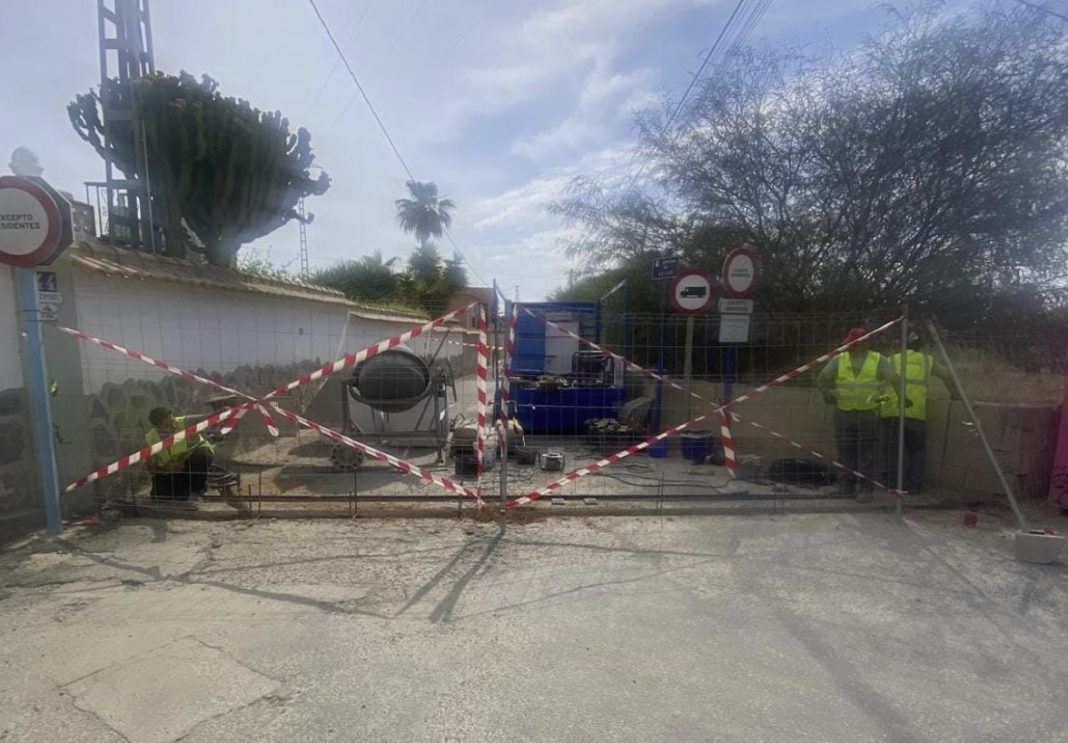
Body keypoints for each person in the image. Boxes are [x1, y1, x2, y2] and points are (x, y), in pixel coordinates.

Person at [817, 328, 901, 502]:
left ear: (865, 343)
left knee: (867, 454)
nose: (851, 346)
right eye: (851, 343)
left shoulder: (878, 360)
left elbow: (895, 380)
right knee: (846, 452)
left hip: (868, 414)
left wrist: (900, 398)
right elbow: (822, 378)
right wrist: (828, 395)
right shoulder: (839, 359)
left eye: (854, 343)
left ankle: (864, 489)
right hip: (844, 411)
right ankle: (846, 486)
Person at [879, 335, 956, 494]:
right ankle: (914, 486)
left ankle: (892, 485)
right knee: (917, 450)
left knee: (892, 449)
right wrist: (955, 394)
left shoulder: (891, 360)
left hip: (892, 410)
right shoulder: (928, 360)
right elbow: (947, 375)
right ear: (921, 347)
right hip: (916, 412)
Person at [145, 406, 216, 506]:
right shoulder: (151, 438)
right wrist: (167, 468)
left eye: (173, 421)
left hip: (193, 459)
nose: (174, 426)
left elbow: (204, 418)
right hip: (175, 468)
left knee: (199, 456)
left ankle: (197, 491)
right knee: (159, 494)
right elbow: (152, 468)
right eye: (167, 425)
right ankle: (185, 492)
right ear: (158, 428)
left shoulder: (183, 422)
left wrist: (220, 412)